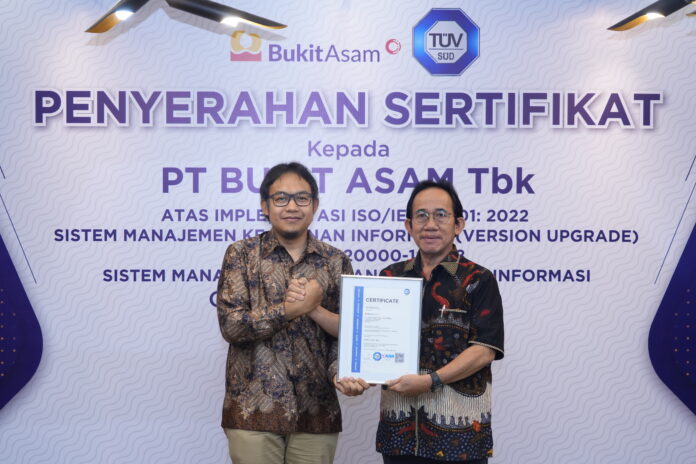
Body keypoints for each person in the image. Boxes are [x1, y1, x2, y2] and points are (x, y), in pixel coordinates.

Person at [215, 162, 354, 464]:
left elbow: (346, 334)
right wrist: (292, 310)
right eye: (281, 198)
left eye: (302, 198)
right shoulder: (241, 254)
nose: (292, 207)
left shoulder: (335, 261)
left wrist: (340, 373)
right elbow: (232, 326)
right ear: (265, 206)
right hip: (253, 411)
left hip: (317, 412)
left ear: (314, 205)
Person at [377, 180, 505, 463]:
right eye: (421, 216)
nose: (430, 224)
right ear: (409, 225)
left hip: (460, 435)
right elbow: (372, 337)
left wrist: (430, 381)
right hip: (399, 433)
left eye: (441, 215)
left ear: (458, 224)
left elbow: (484, 350)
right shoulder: (390, 277)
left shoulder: (478, 280)